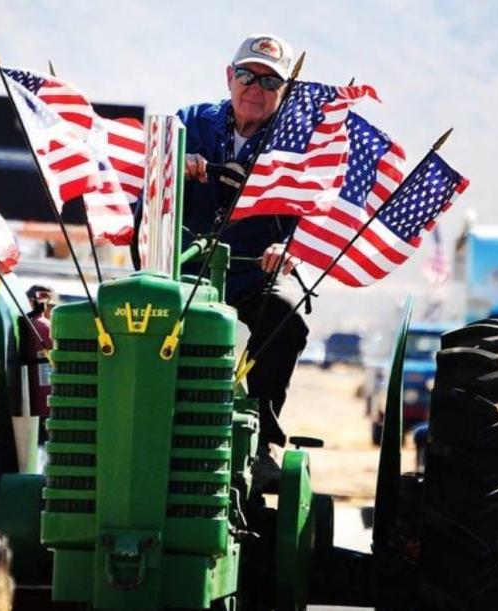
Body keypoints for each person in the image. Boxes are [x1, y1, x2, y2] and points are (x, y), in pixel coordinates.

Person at [176, 34, 309, 486]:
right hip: (184, 270)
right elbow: (146, 200)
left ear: (284, 92)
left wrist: (290, 247)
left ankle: (267, 435)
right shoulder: (189, 122)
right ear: (229, 77)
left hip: (256, 271)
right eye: (248, 75)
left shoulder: (299, 144)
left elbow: (314, 210)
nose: (256, 87)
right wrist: (179, 170)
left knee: (285, 313)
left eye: (270, 81)